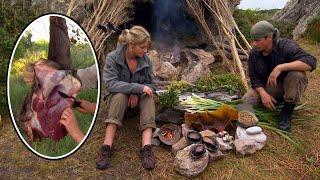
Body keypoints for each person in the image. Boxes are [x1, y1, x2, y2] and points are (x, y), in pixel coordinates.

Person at [98, 26, 156, 170]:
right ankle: (106, 147)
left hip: (137, 105)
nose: (146, 51)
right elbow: (111, 84)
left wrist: (137, 93)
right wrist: (136, 88)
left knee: (148, 97)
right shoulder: (113, 58)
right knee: (119, 95)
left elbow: (151, 85)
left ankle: (147, 148)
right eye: (142, 47)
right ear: (131, 45)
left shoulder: (146, 61)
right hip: (118, 106)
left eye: (146, 48)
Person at [242, 21, 317, 132]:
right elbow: (254, 78)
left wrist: (280, 67)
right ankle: (274, 102)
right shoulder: (254, 53)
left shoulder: (286, 46)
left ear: (269, 37)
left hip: (290, 85)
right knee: (245, 101)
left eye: (257, 40)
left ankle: (287, 111)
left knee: (297, 74)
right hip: (271, 87)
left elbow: (311, 62)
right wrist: (263, 94)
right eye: (253, 40)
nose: (254, 44)